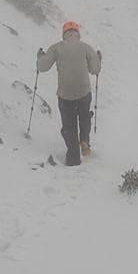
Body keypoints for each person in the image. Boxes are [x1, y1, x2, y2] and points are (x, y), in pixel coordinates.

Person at [37, 21, 102, 166]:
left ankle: (73, 158)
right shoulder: (85, 47)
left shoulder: (56, 48)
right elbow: (95, 69)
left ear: (64, 34)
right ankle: (84, 140)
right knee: (84, 117)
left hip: (65, 94)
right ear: (77, 33)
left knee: (69, 126)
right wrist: (98, 59)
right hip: (83, 91)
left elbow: (42, 67)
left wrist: (40, 57)